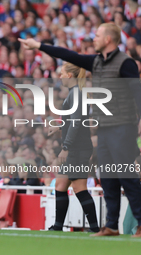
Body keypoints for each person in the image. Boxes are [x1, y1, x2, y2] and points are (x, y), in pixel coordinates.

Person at [19, 23, 141, 237]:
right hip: (104, 129)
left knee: (125, 177)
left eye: (97, 35)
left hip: (122, 127)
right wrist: (38, 45)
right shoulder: (97, 62)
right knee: (108, 179)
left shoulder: (125, 63)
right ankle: (111, 225)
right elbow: (68, 54)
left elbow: (138, 93)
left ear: (108, 40)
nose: (93, 38)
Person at [47, 62, 99, 233]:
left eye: (62, 73)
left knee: (79, 188)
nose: (59, 76)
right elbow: (75, 121)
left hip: (78, 149)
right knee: (60, 186)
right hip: (78, 147)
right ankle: (58, 227)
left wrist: (66, 146)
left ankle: (94, 228)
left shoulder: (76, 93)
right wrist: (60, 127)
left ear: (69, 75)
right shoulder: (75, 93)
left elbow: (77, 123)